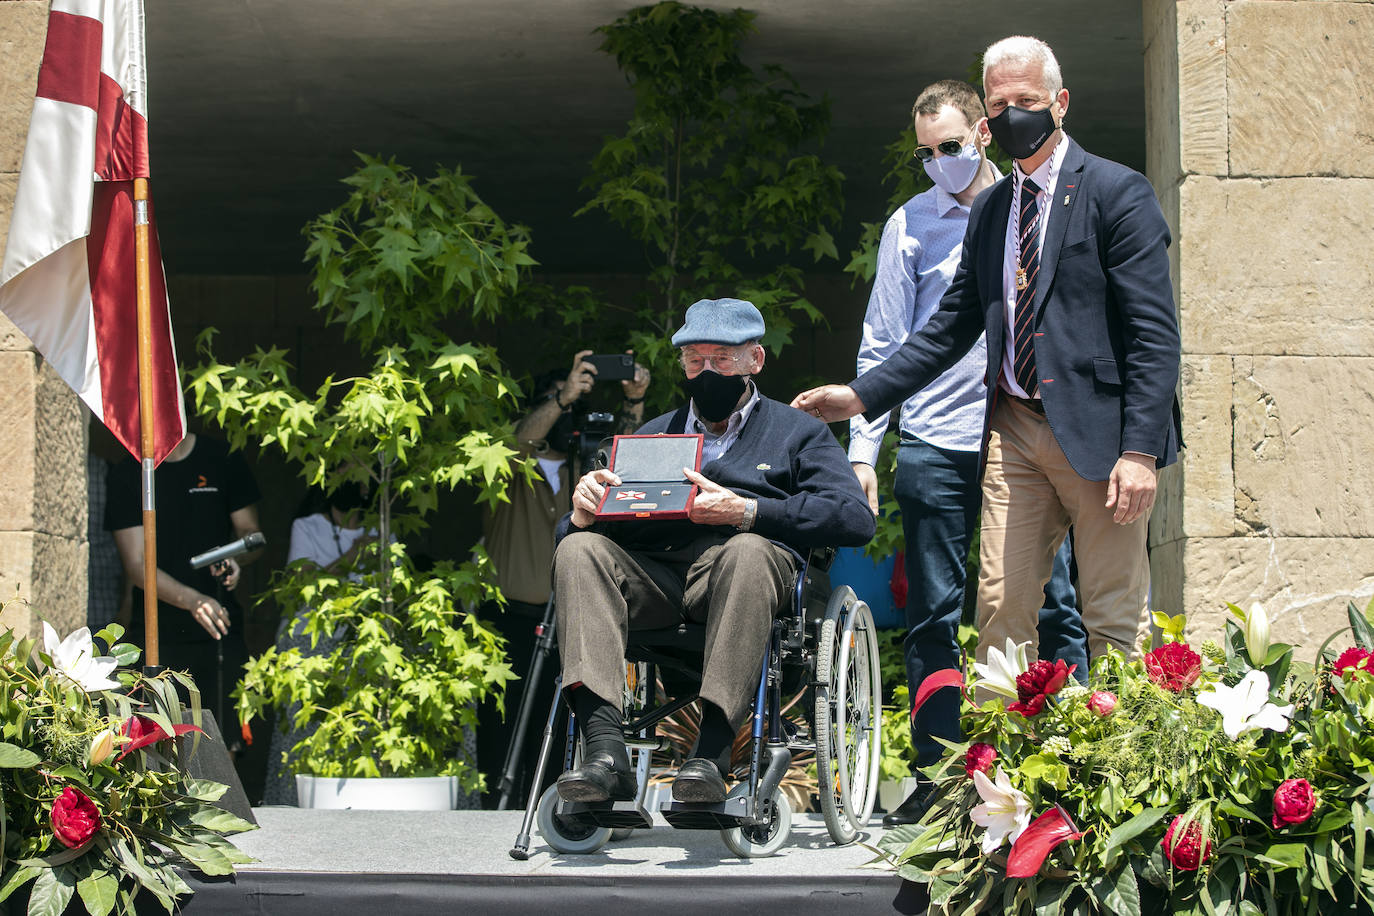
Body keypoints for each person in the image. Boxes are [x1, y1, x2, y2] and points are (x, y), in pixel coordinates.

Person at [795, 36, 1181, 715]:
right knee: (1001, 611)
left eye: (1025, 102)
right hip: (1015, 431)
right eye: (998, 105)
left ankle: (1125, 791)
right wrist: (861, 396)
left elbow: (1153, 334)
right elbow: (948, 328)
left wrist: (1141, 450)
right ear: (985, 121)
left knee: (1112, 615)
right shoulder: (993, 212)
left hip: (1100, 438)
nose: (1010, 117)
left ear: (1060, 104)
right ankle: (1006, 786)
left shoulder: (1117, 192)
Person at [849, 79, 1087, 827]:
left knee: (1055, 606)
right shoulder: (910, 225)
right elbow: (884, 341)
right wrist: (864, 451)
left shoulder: (1030, 207)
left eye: (949, 147)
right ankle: (942, 779)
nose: (937, 163)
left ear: (984, 133)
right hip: (933, 443)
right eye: (924, 153)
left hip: (1021, 439)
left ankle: (1063, 765)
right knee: (932, 617)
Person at [553, 298, 874, 805]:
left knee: (747, 548)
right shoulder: (654, 435)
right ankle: (604, 750)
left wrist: (748, 511)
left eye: (721, 359)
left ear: (755, 360)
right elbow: (591, 537)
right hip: (659, 579)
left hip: (747, 578)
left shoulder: (798, 433)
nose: (706, 371)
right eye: (694, 359)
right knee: (579, 551)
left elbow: (854, 518)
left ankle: (713, 750)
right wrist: (582, 515)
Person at [477, 350, 649, 804]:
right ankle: (497, 810)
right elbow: (517, 443)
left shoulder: (585, 467)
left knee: (568, 729)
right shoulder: (511, 466)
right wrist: (563, 395)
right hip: (511, 618)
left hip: (575, 620)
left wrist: (633, 403)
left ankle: (565, 805)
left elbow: (626, 471)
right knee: (503, 726)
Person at [106, 430, 263, 738]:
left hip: (219, 624)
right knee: (155, 740)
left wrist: (236, 558)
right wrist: (191, 600)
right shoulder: (128, 471)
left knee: (226, 737)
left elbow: (252, 536)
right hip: (155, 630)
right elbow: (137, 565)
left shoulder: (222, 456)